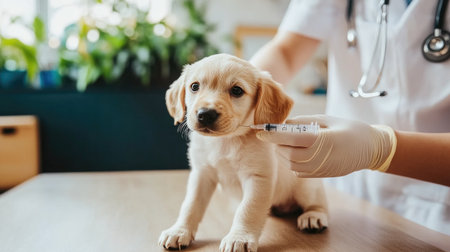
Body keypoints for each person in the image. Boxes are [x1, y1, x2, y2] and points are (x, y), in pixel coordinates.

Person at [249, 0, 450, 235]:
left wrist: (382, 148)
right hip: (347, 198)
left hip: (439, 212)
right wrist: (244, 95)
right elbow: (285, 51)